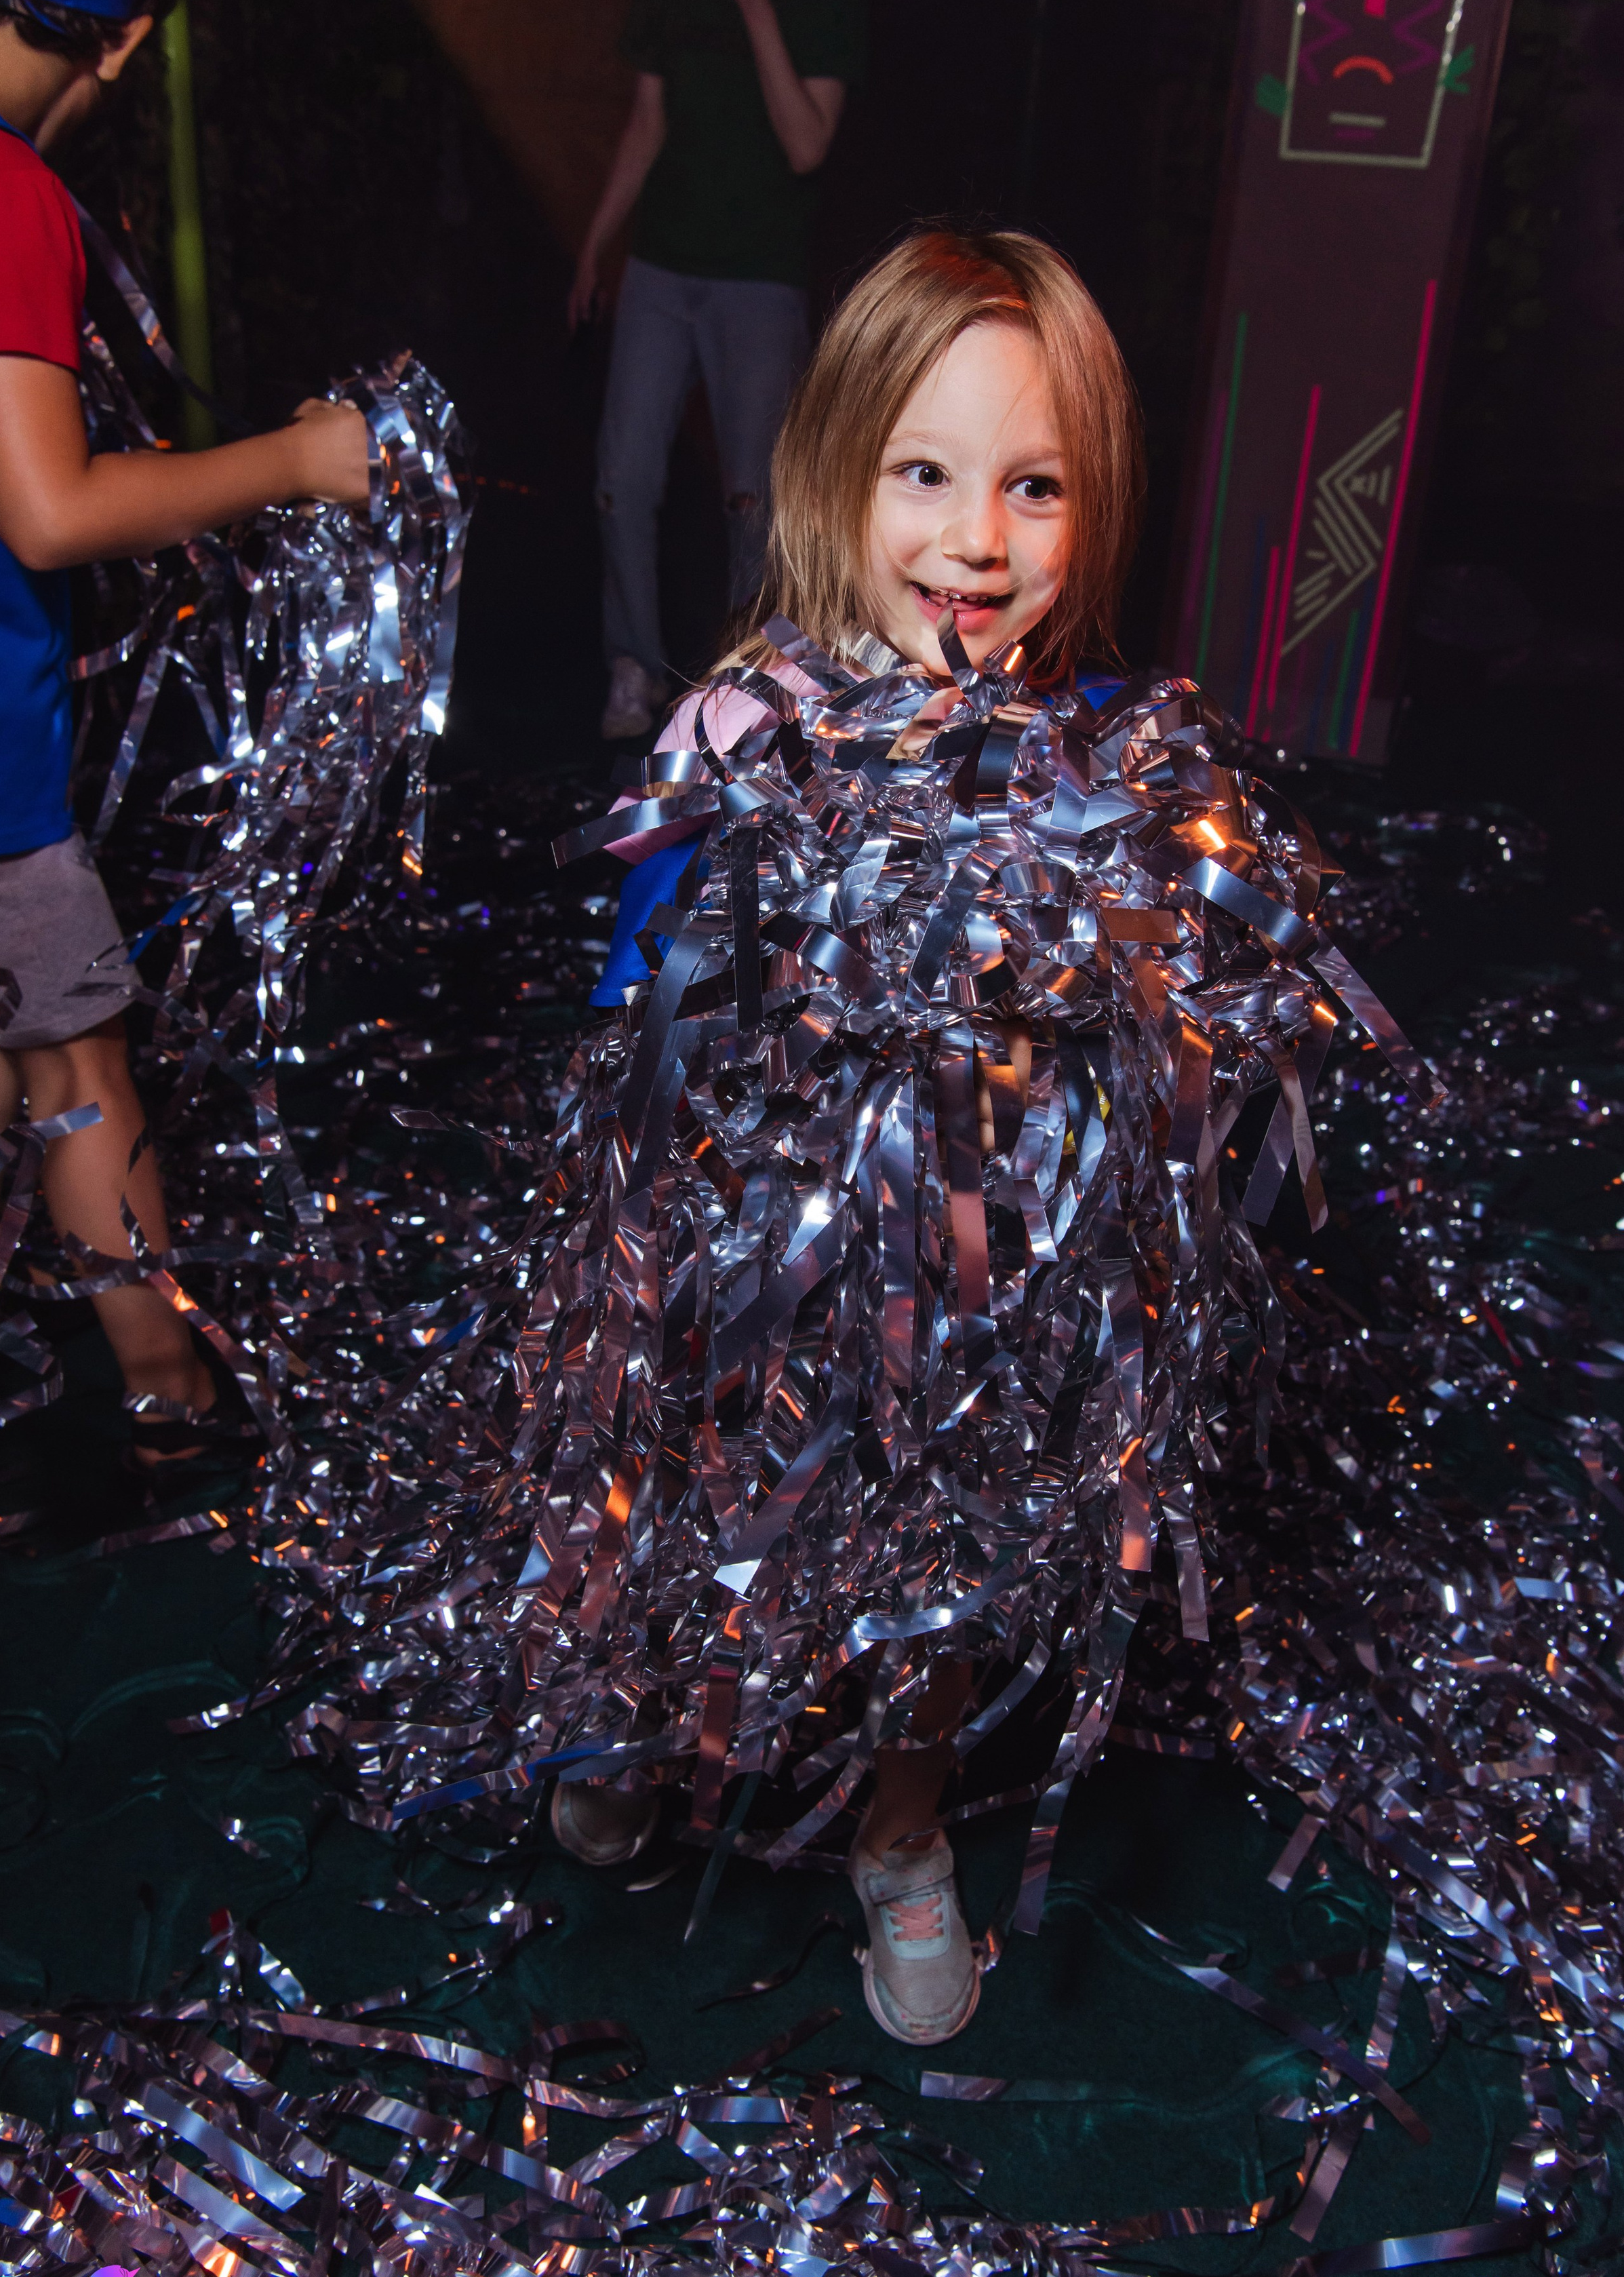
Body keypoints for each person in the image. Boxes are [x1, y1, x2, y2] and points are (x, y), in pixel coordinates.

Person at [383, 227, 1377, 2050]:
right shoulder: (738, 722)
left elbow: (1183, 1058)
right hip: (734, 1279)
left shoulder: (1110, 760)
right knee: (680, 1522)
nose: (977, 540)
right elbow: (639, 1001)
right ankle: (646, 1738)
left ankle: (903, 1839)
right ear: (832, 472)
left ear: (1099, 508)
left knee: (941, 1585)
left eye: (1036, 486)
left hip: (981, 1322)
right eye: (924, 473)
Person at [0, 0, 367, 1471]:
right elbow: (44, 510)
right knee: (73, 1061)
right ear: (115, 39)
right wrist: (296, 462)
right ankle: (172, 1395)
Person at [569, 0, 867, 739]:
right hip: (663, 264)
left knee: (755, 498)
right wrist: (595, 241)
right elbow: (647, 122)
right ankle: (631, 667)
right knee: (622, 473)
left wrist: (756, 7)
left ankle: (745, 688)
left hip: (758, 275)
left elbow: (808, 142)